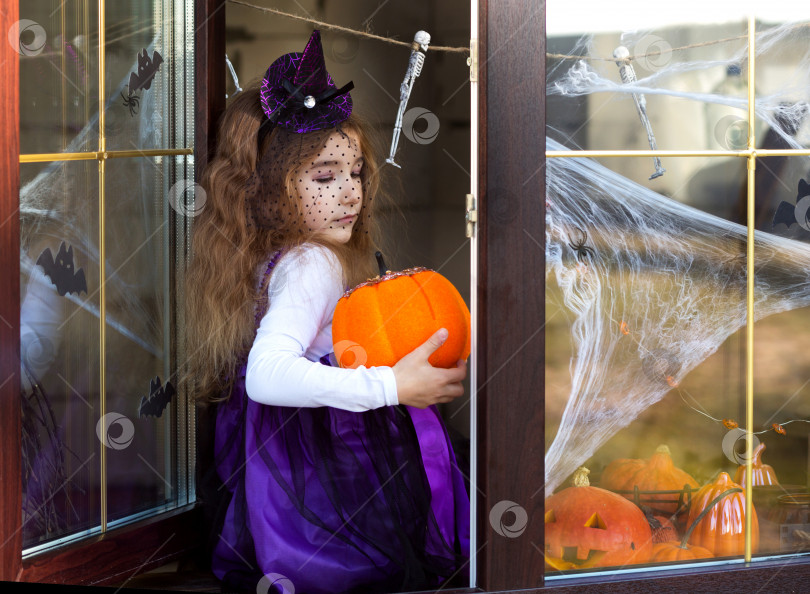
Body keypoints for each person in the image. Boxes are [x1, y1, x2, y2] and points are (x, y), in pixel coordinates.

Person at [185, 30, 470, 594]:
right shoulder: (314, 262)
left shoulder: (278, 254)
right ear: (268, 189)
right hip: (325, 464)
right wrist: (391, 385)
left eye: (355, 172)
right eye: (323, 177)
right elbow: (267, 374)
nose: (349, 194)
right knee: (367, 569)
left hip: (292, 460)